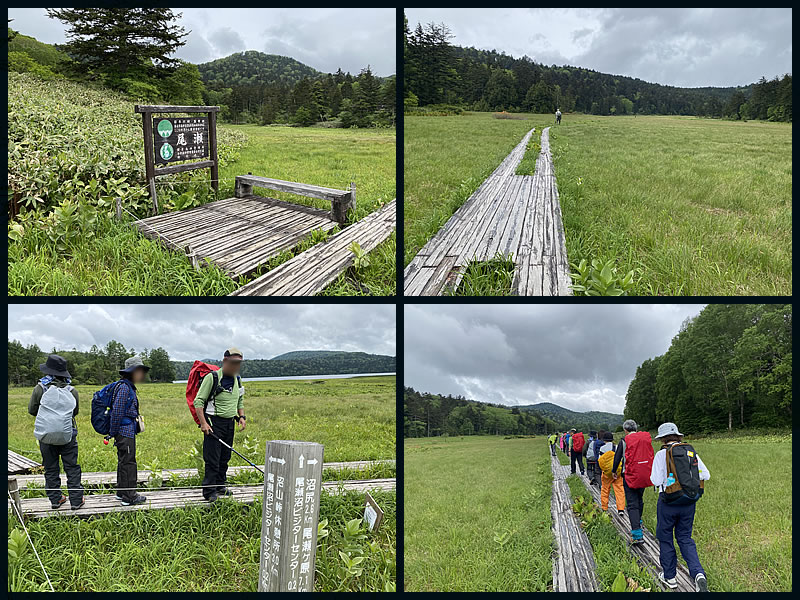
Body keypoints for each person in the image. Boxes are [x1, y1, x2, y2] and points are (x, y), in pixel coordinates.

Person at [651, 423, 710, 592]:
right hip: (689, 502)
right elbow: (706, 475)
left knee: (666, 538)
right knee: (685, 538)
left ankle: (670, 577)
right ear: (678, 436)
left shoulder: (661, 454)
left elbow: (655, 481)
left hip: (668, 502)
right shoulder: (690, 451)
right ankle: (698, 574)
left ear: (662, 438)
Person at [28, 354, 84, 510]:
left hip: (46, 435)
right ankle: (76, 500)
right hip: (68, 435)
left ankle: (55, 500)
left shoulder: (40, 388)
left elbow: (32, 410)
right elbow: (75, 412)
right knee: (72, 467)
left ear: (48, 371)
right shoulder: (72, 390)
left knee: (51, 468)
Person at [195, 347, 247, 502]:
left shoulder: (237, 379)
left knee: (225, 456)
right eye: (233, 362)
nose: (236, 366)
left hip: (230, 423)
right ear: (225, 361)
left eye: (239, 363)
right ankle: (209, 491)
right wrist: (203, 423)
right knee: (213, 458)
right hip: (213, 423)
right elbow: (198, 401)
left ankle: (220, 485)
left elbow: (240, 399)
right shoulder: (212, 378)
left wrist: (242, 416)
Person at [110, 356, 149, 506]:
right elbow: (117, 411)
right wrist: (113, 432)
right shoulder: (124, 388)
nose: (142, 375)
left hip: (125, 431)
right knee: (129, 462)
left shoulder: (126, 386)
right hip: (124, 432)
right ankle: (129, 496)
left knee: (124, 461)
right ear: (132, 372)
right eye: (140, 371)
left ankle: (122, 492)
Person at [612, 419, 654, 545]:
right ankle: (638, 521)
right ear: (636, 428)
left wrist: (614, 471)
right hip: (644, 474)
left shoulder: (624, 441)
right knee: (639, 498)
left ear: (625, 430)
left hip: (629, 475)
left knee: (631, 503)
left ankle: (637, 535)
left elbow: (617, 457)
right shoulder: (645, 439)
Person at [597, 431, 625, 516]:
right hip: (617, 471)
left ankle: (604, 507)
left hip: (607, 473)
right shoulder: (616, 447)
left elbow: (600, 461)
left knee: (605, 489)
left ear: (604, 440)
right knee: (619, 490)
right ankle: (621, 509)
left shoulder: (602, 448)